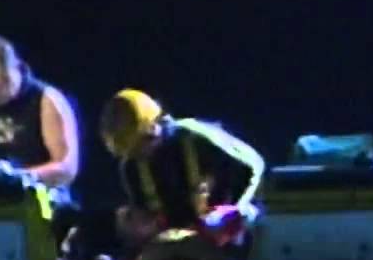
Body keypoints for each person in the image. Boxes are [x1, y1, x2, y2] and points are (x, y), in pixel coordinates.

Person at [99, 89, 265, 250]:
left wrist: (233, 212)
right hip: (185, 247)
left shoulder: (195, 137)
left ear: (154, 127)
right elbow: (149, 219)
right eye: (133, 151)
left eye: (141, 144)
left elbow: (254, 166)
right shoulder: (132, 169)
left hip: (233, 237)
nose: (140, 154)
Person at [0, 36, 80, 190]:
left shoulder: (46, 100)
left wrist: (20, 177)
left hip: (40, 197)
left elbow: (67, 168)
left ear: (14, 71)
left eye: (0, 86)